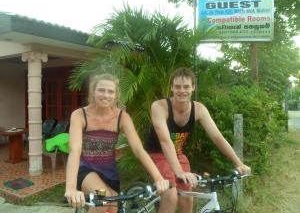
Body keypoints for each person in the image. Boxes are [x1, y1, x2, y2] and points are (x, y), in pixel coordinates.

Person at [145, 67, 251, 213]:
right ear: (171, 87)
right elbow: (164, 140)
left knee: (188, 198)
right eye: (177, 87)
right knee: (171, 196)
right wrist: (179, 172)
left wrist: (239, 163)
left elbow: (217, 137)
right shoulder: (159, 106)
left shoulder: (199, 109)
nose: (182, 91)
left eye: (186, 86)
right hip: (156, 156)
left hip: (178, 156)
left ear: (193, 87)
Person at [64, 74, 169, 213]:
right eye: (101, 90)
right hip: (86, 170)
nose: (105, 95)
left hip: (110, 174)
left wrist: (158, 178)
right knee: (104, 198)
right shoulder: (79, 115)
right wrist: (70, 188)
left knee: (114, 208)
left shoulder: (122, 117)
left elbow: (138, 149)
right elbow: (75, 150)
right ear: (93, 92)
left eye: (110, 91)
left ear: (116, 95)